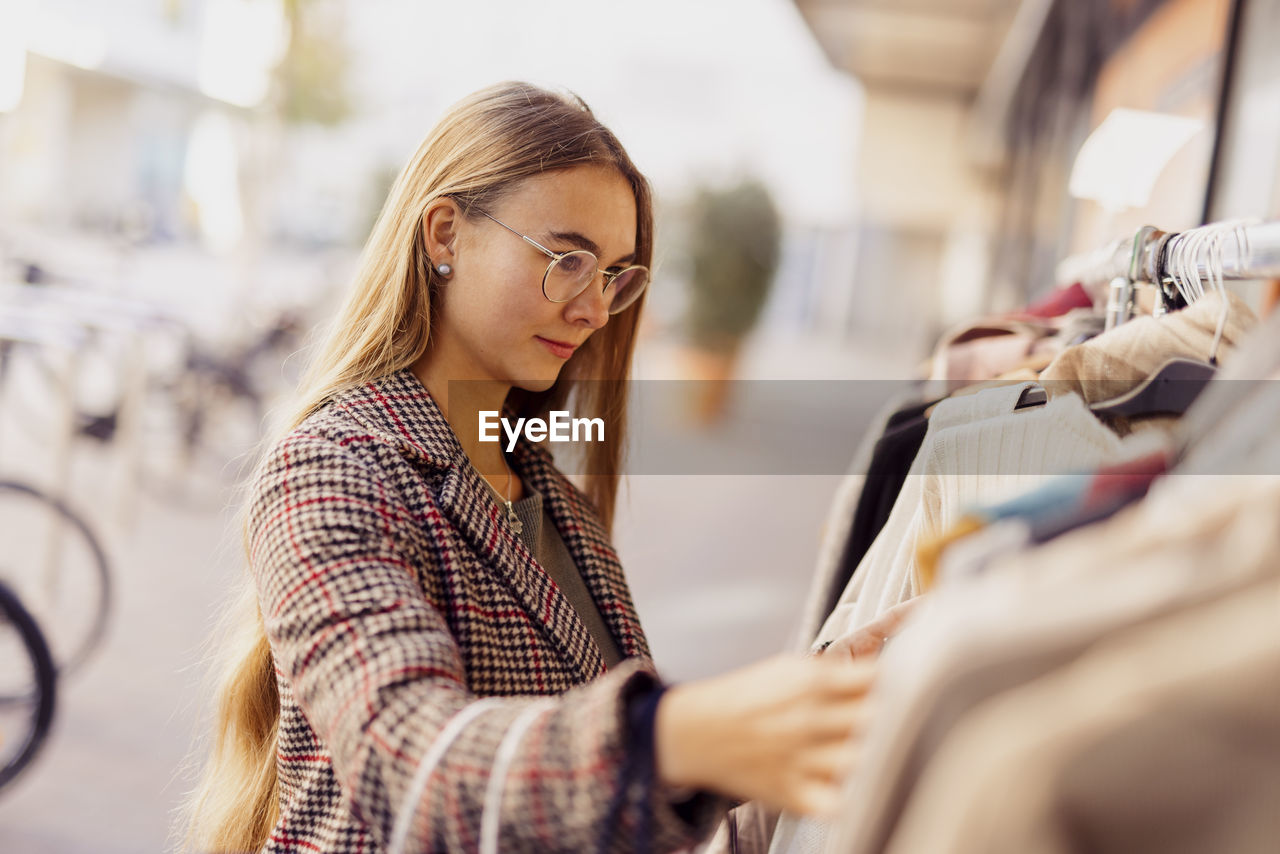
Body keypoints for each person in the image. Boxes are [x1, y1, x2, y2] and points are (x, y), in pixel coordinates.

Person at [180, 81, 880, 854]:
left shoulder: (561, 504)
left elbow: (601, 810)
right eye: (568, 259)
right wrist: (680, 734)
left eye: (615, 275)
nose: (594, 310)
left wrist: (816, 693)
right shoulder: (336, 469)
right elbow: (412, 767)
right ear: (445, 235)